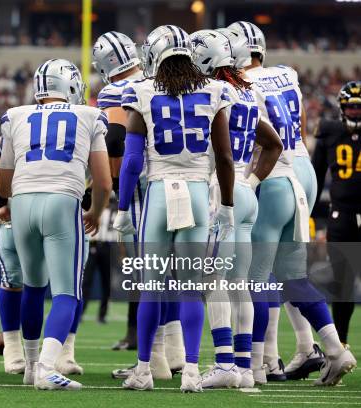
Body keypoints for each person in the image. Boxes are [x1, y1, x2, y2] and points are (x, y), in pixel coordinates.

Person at [231, 20, 356, 386]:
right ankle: (331, 348)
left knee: (258, 276)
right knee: (290, 276)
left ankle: (258, 364)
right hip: (304, 167)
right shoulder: (286, 74)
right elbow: (298, 124)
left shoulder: (239, 85)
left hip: (274, 173)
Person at [112, 24, 235, 392]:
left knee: (152, 286)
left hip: (160, 193)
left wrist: (122, 208)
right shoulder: (213, 90)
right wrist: (226, 205)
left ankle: (144, 370)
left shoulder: (143, 91)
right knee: (191, 287)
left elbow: (133, 161)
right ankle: (193, 372)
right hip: (197, 192)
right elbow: (225, 157)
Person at [0, 59, 111, 390]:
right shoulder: (89, 115)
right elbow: (103, 182)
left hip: (21, 203)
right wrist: (96, 212)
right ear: (72, 87)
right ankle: (48, 367)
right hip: (63, 201)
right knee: (66, 293)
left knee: (32, 286)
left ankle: (32, 367)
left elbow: (4, 185)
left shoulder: (15, 116)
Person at [190, 29, 283, 388]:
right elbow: (273, 144)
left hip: (223, 191)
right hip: (245, 192)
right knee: (239, 284)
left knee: (214, 282)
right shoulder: (245, 91)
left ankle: (225, 363)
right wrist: (253, 182)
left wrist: (225, 198)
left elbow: (223, 155)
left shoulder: (215, 92)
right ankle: (244, 369)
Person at [94, 29, 185, 381]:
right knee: (174, 273)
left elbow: (116, 140)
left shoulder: (114, 91)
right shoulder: (157, 79)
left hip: (142, 189)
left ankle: (156, 358)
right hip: (179, 182)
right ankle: (175, 353)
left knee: (150, 274)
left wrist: (115, 184)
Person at [0, 136, 86, 376]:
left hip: (41, 213)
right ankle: (14, 349)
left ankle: (64, 353)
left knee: (69, 283)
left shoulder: (83, 129)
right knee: (17, 280)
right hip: (27, 214)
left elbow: (109, 162)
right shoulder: (22, 131)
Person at [311, 80, 361, 354]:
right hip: (342, 214)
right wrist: (307, 209)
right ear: (342, 107)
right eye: (351, 107)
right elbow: (316, 177)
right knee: (343, 281)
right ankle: (340, 343)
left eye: (359, 107)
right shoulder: (330, 131)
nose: (355, 112)